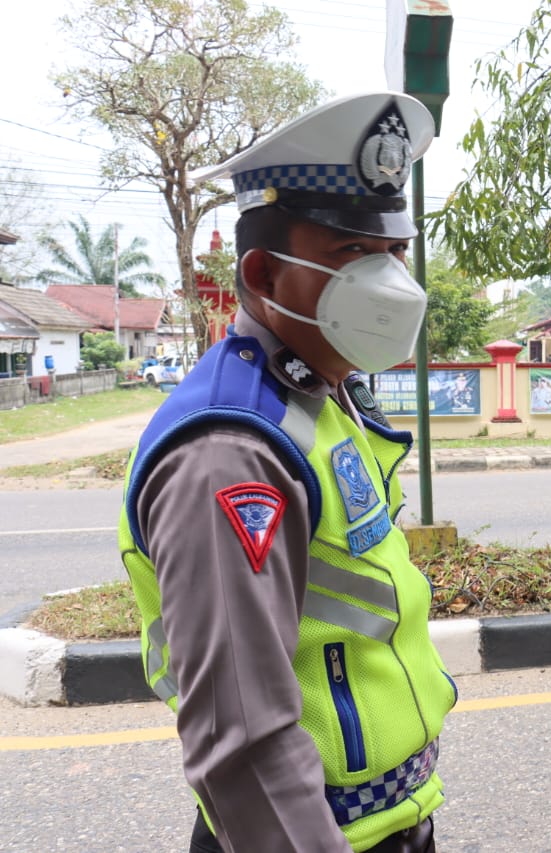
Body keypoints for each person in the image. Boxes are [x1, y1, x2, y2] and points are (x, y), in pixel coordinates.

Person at [118, 92, 456, 853]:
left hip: (388, 826)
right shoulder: (229, 452)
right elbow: (244, 743)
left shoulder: (319, 392)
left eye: (395, 253)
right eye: (352, 254)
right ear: (265, 274)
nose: (393, 281)